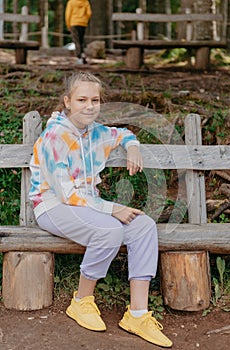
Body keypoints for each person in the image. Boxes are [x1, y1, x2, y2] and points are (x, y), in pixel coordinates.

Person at [29, 71, 172, 348]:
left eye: (95, 99)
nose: (89, 105)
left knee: (143, 227)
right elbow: (66, 195)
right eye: (82, 99)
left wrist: (132, 147)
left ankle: (138, 315)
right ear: (67, 101)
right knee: (108, 230)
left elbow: (124, 133)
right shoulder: (54, 138)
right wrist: (113, 208)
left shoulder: (97, 133)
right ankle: (82, 301)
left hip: (87, 206)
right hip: (52, 206)